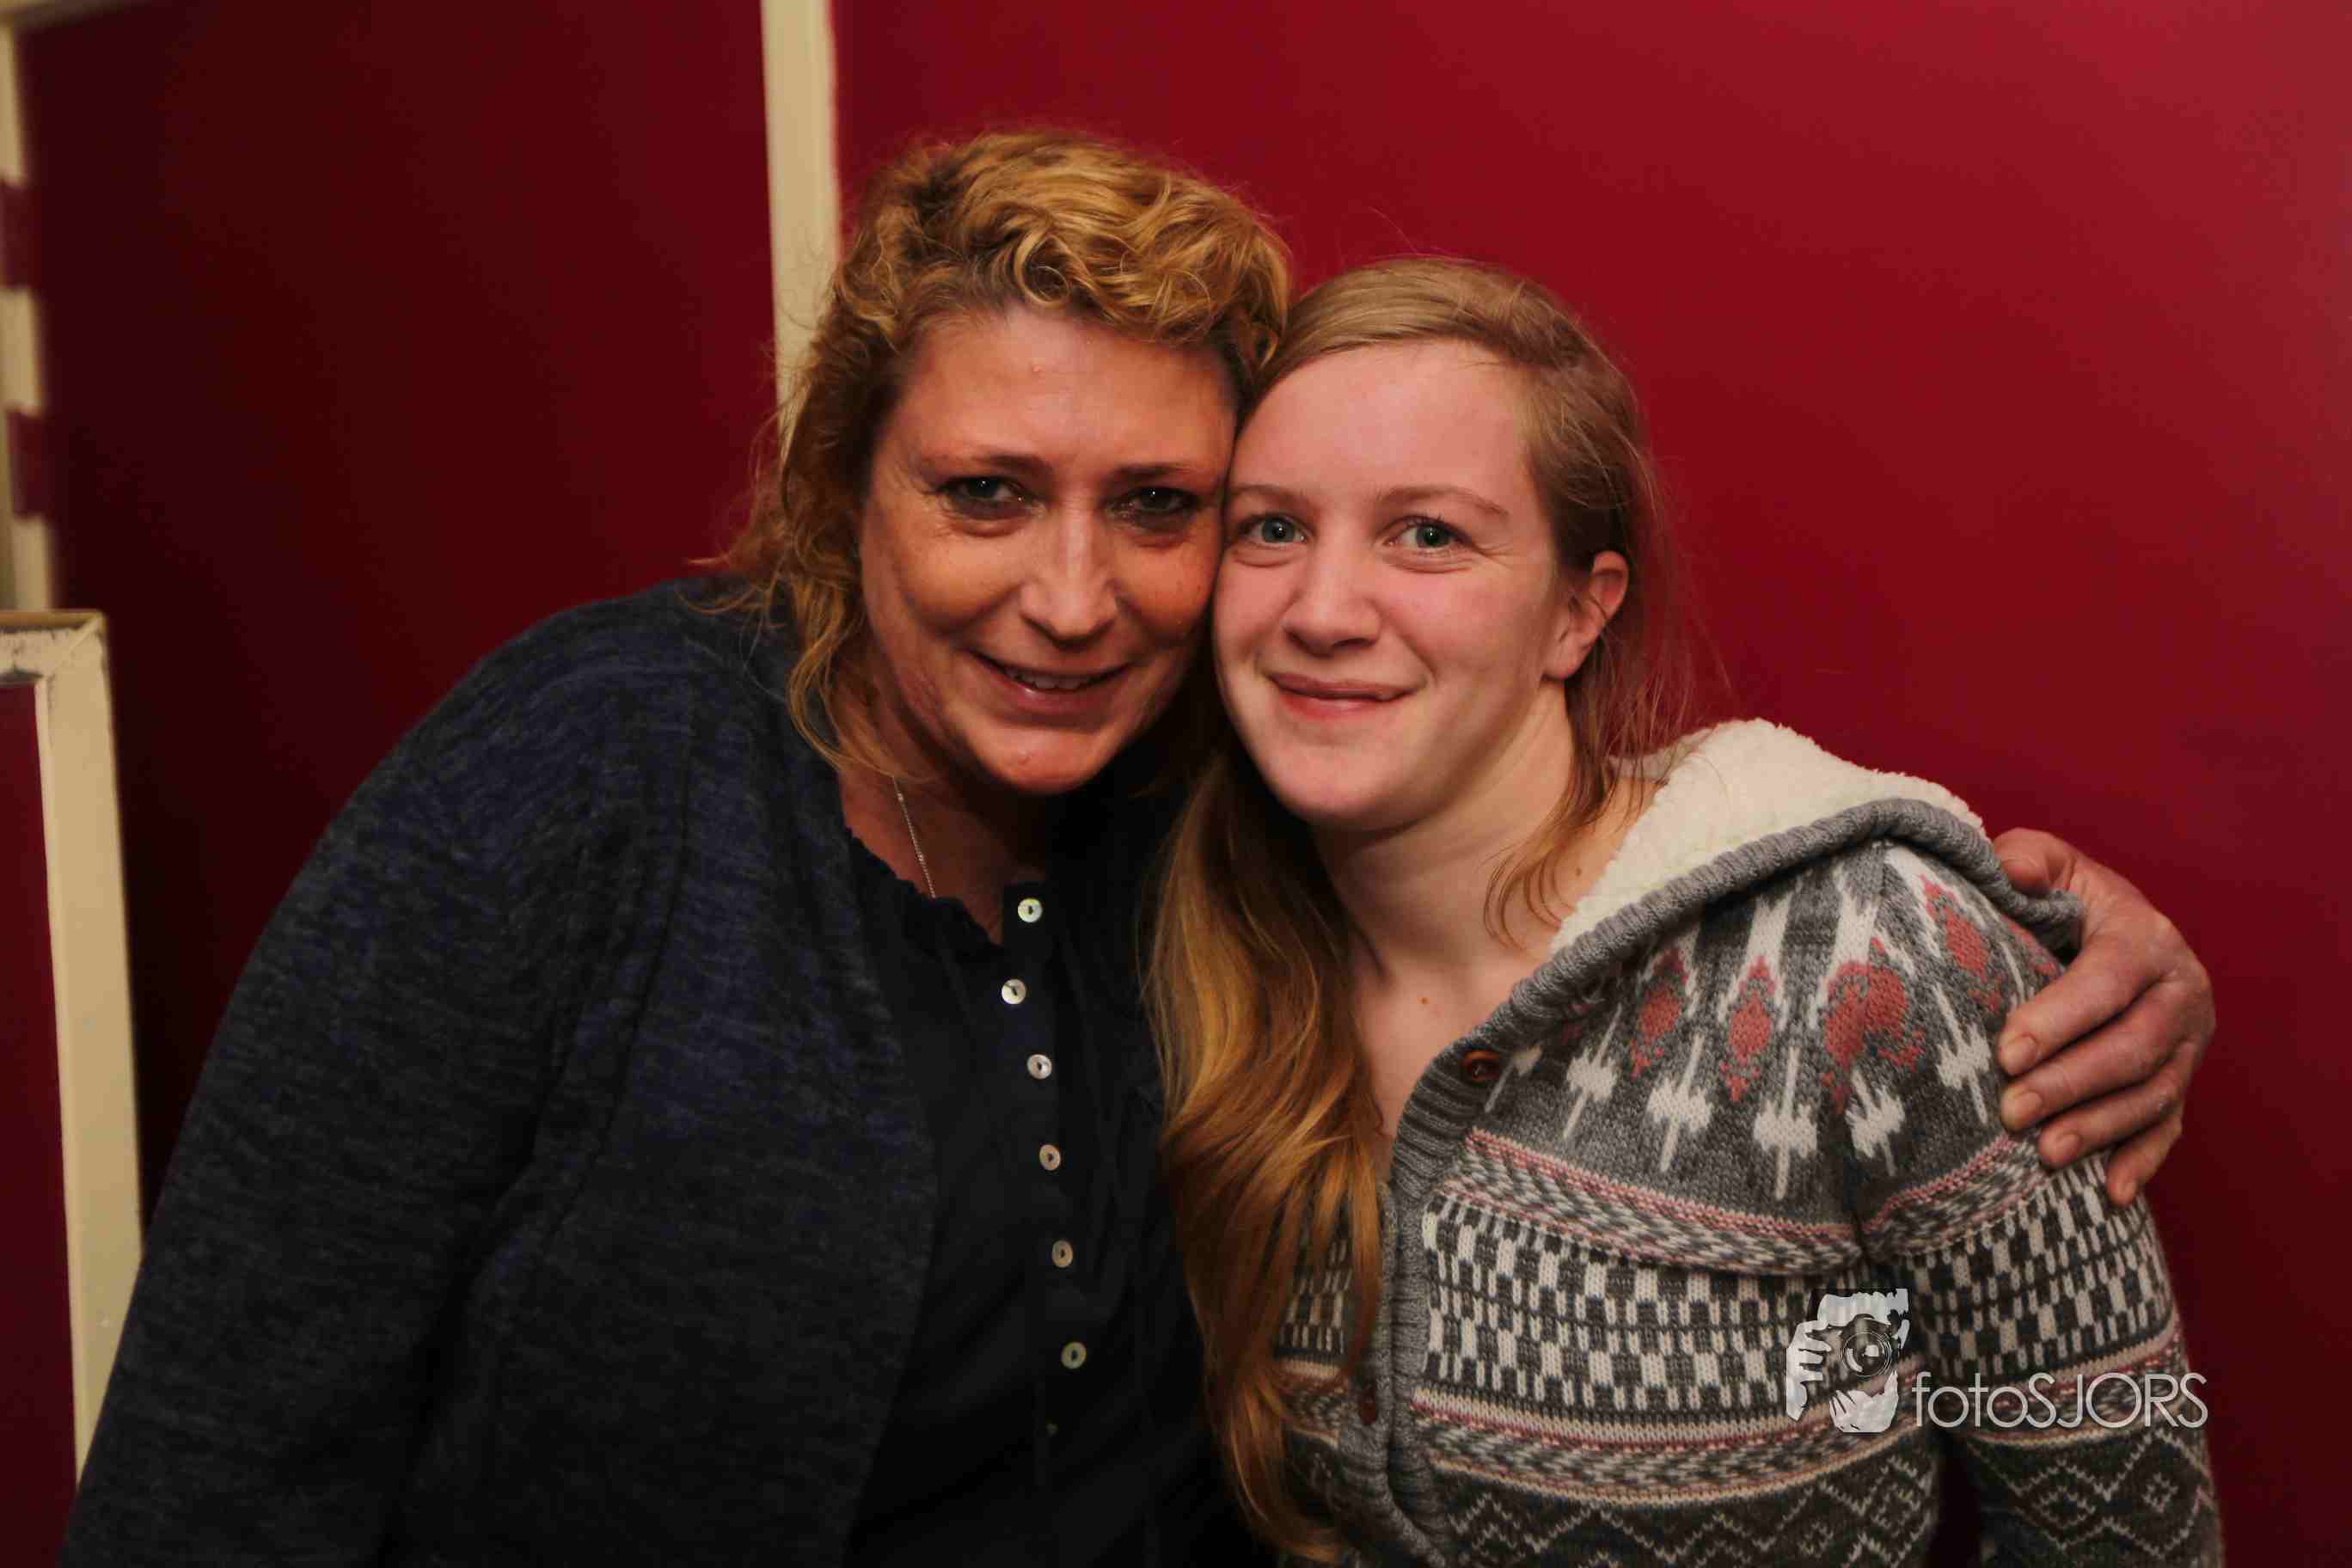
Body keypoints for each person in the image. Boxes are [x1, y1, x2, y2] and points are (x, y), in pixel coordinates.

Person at [64, 135, 2208, 1565]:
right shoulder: (581, 775)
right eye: (985, 493)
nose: (1074, 599)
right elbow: (226, 1450)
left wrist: (2020, 926)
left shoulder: (1215, 801)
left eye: (1169, 508)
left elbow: (1597, 830)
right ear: (838, 490)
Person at [1151, 257, 2221, 1563]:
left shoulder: (1870, 956)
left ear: (1578, 613)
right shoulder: (1204, 954)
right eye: (1270, 529)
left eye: (1429, 535)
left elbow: (2122, 1534)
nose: (1322, 611)